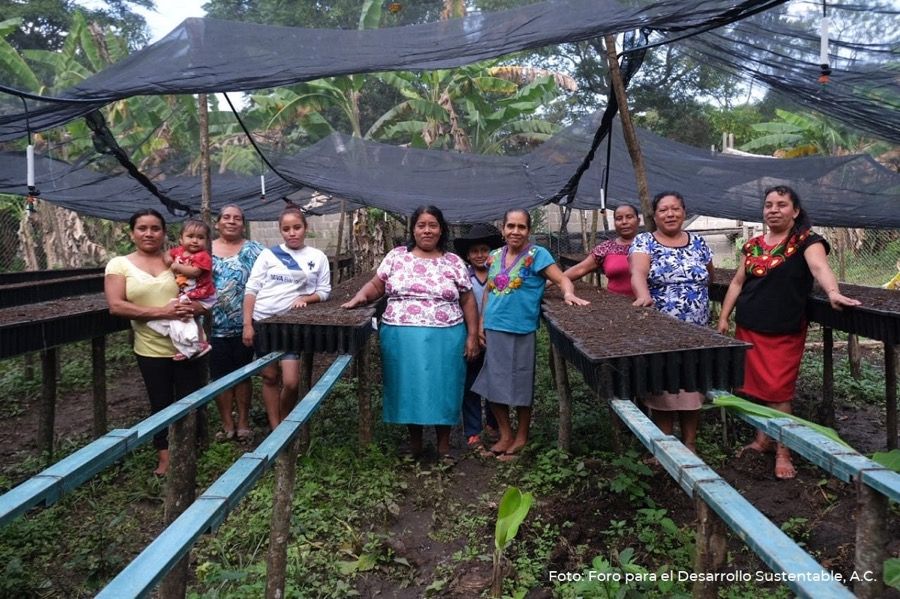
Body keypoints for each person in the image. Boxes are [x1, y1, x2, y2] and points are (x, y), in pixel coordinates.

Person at [717, 185, 860, 479]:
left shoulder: (808, 240)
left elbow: (819, 269)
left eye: (781, 204)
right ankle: (762, 440)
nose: (773, 209)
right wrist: (723, 317)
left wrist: (833, 292)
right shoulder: (754, 244)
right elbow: (736, 283)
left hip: (783, 329)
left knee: (779, 392)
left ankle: (784, 451)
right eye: (768, 204)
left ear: (795, 211)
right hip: (749, 325)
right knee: (756, 389)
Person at [342, 205, 479, 460]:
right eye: (421, 225)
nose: (427, 230)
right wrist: (359, 298)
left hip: (447, 336)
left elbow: (468, 300)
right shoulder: (396, 257)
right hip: (401, 336)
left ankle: (444, 447)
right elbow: (376, 285)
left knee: (444, 388)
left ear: (441, 229)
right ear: (413, 229)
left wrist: (472, 336)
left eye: (433, 225)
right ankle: (414, 444)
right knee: (408, 387)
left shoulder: (454, 262)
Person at [473, 208, 590, 461]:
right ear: (503, 229)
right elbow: (488, 291)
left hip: (521, 329)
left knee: (521, 383)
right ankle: (505, 434)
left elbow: (562, 280)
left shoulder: (538, 255)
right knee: (493, 383)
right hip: (494, 328)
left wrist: (568, 293)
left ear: (529, 230)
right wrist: (482, 321)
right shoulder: (493, 256)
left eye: (521, 227)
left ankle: (522, 436)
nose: (516, 231)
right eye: (511, 226)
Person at [104, 209, 209, 475]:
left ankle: (190, 449)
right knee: (160, 402)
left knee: (191, 399)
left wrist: (194, 308)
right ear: (132, 233)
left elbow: (205, 296)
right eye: (142, 228)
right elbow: (116, 306)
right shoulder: (119, 265)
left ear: (164, 233)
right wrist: (162, 312)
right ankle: (164, 455)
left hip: (187, 347)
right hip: (150, 348)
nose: (149, 233)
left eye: (155, 228)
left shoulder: (178, 260)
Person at [630, 191, 714, 453]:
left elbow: (709, 274)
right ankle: (665, 447)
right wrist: (643, 296)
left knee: (692, 387)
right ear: (654, 216)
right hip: (660, 330)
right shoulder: (645, 241)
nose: (670, 214)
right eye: (664, 210)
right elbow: (637, 274)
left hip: (696, 331)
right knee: (663, 387)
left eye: (675, 209)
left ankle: (690, 443)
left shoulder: (699, 242)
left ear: (684, 212)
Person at [242, 207, 331, 431]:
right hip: (263, 321)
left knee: (291, 382)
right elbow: (251, 289)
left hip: (291, 326)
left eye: (297, 227)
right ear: (280, 231)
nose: (292, 233)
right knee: (270, 377)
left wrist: (307, 298)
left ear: (305, 228)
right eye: (286, 229)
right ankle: (275, 427)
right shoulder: (268, 255)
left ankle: (283, 421)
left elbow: (325, 291)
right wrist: (247, 324)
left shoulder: (317, 257)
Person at [210, 205, 264, 442]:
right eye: (226, 217)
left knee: (243, 373)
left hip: (245, 325)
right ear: (217, 222)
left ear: (243, 224)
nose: (231, 221)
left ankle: (243, 421)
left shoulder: (255, 251)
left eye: (237, 218)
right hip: (211, 326)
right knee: (219, 375)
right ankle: (226, 423)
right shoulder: (203, 249)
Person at [452, 223, 503, 449]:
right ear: (468, 255)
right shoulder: (464, 278)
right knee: (470, 383)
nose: (480, 255)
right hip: (470, 336)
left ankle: (494, 425)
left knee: (495, 381)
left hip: (496, 336)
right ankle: (473, 430)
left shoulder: (501, 275)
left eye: (484, 249)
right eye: (474, 251)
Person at [147, 219, 216, 360]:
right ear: (181, 239)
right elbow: (167, 254)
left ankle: (197, 344)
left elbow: (195, 272)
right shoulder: (178, 251)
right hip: (189, 294)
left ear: (207, 242)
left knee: (183, 315)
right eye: (190, 236)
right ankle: (188, 345)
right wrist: (168, 259)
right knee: (183, 317)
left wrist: (176, 267)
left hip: (202, 296)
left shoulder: (203, 256)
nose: (195, 241)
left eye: (200, 237)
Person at [564, 203, 641, 296]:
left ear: (638, 220)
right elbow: (580, 268)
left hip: (650, 306)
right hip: (617, 305)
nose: (624, 222)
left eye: (629, 217)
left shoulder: (651, 245)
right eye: (619, 218)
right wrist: (551, 281)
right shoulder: (606, 248)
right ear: (615, 223)